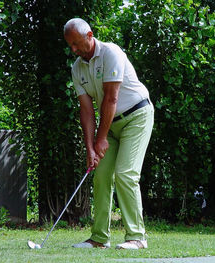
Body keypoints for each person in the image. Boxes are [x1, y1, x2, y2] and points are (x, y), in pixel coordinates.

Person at [63, 18, 154, 249]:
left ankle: (137, 237)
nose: (73, 49)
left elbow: (111, 98)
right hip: (109, 124)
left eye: (76, 43)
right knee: (101, 175)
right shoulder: (77, 68)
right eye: (70, 45)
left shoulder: (111, 52)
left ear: (90, 35)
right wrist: (91, 148)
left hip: (136, 116)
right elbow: (86, 111)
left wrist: (101, 139)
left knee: (125, 174)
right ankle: (99, 238)